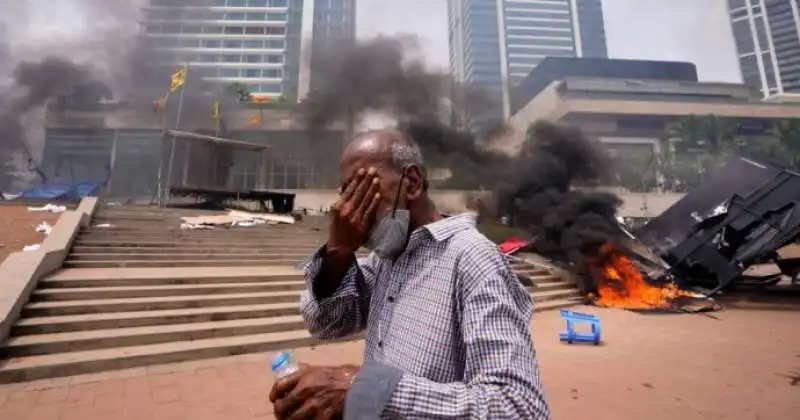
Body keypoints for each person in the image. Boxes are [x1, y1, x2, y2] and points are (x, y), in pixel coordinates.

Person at [269, 130, 551, 419]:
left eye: (361, 191)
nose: (347, 210)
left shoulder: (471, 259)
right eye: (345, 196)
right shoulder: (386, 259)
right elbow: (324, 323)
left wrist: (365, 388)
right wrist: (338, 250)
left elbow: (519, 407)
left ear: (412, 183)